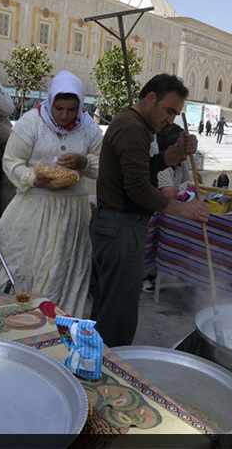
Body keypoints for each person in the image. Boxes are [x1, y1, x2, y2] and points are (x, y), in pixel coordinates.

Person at [91, 73, 210, 347]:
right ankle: (108, 376)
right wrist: (184, 209)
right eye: (169, 111)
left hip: (120, 227)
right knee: (116, 319)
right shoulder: (132, 128)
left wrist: (177, 152)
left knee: (111, 310)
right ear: (150, 98)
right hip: (120, 227)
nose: (170, 119)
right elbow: (137, 188)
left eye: (176, 114)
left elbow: (145, 168)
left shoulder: (136, 125)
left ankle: (98, 365)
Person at [0, 71, 103, 317]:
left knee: (65, 270)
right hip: (35, 207)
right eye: (59, 108)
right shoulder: (31, 123)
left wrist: (83, 162)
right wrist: (35, 179)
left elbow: (103, 165)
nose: (65, 115)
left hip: (73, 213)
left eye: (71, 109)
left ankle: (58, 324)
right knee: (27, 264)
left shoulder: (88, 129)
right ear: (50, 101)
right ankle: (22, 320)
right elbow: (11, 161)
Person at [156, 124, 192, 198]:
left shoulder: (181, 163)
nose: (186, 151)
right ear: (171, 148)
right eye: (182, 147)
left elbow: (190, 186)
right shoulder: (160, 167)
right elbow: (169, 193)